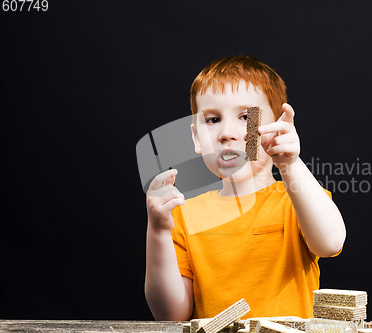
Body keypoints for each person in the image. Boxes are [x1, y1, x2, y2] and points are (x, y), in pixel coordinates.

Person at [144, 55, 346, 321]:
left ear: (275, 129)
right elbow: (172, 316)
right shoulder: (184, 215)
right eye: (213, 120)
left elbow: (330, 243)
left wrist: (290, 164)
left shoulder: (295, 200)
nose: (227, 133)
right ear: (196, 138)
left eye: (245, 117)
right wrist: (157, 231)